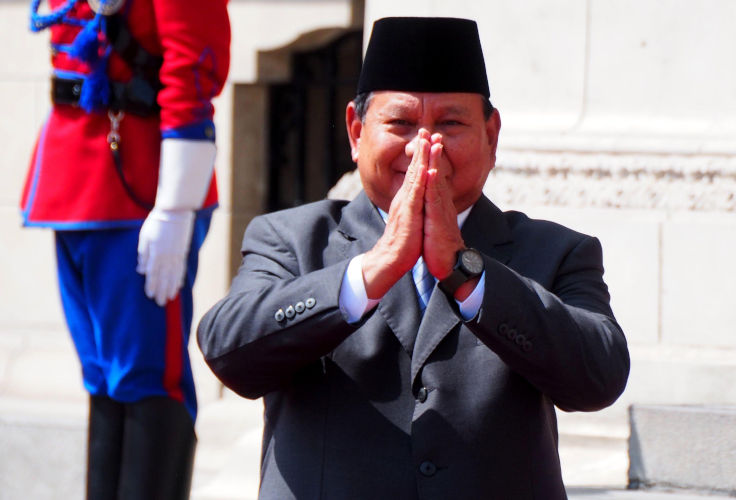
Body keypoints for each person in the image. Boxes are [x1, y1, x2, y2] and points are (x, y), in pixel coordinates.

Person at [198, 16, 629, 499]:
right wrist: (372, 271)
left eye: (451, 123)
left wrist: (468, 274)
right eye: (400, 124)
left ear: (492, 135)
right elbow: (228, 351)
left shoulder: (555, 251)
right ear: (356, 131)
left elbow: (599, 378)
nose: (424, 146)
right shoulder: (292, 238)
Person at [20, 0, 229, 498]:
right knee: (101, 376)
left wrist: (177, 205)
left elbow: (192, 67)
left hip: (139, 187)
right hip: (74, 181)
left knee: (148, 376)